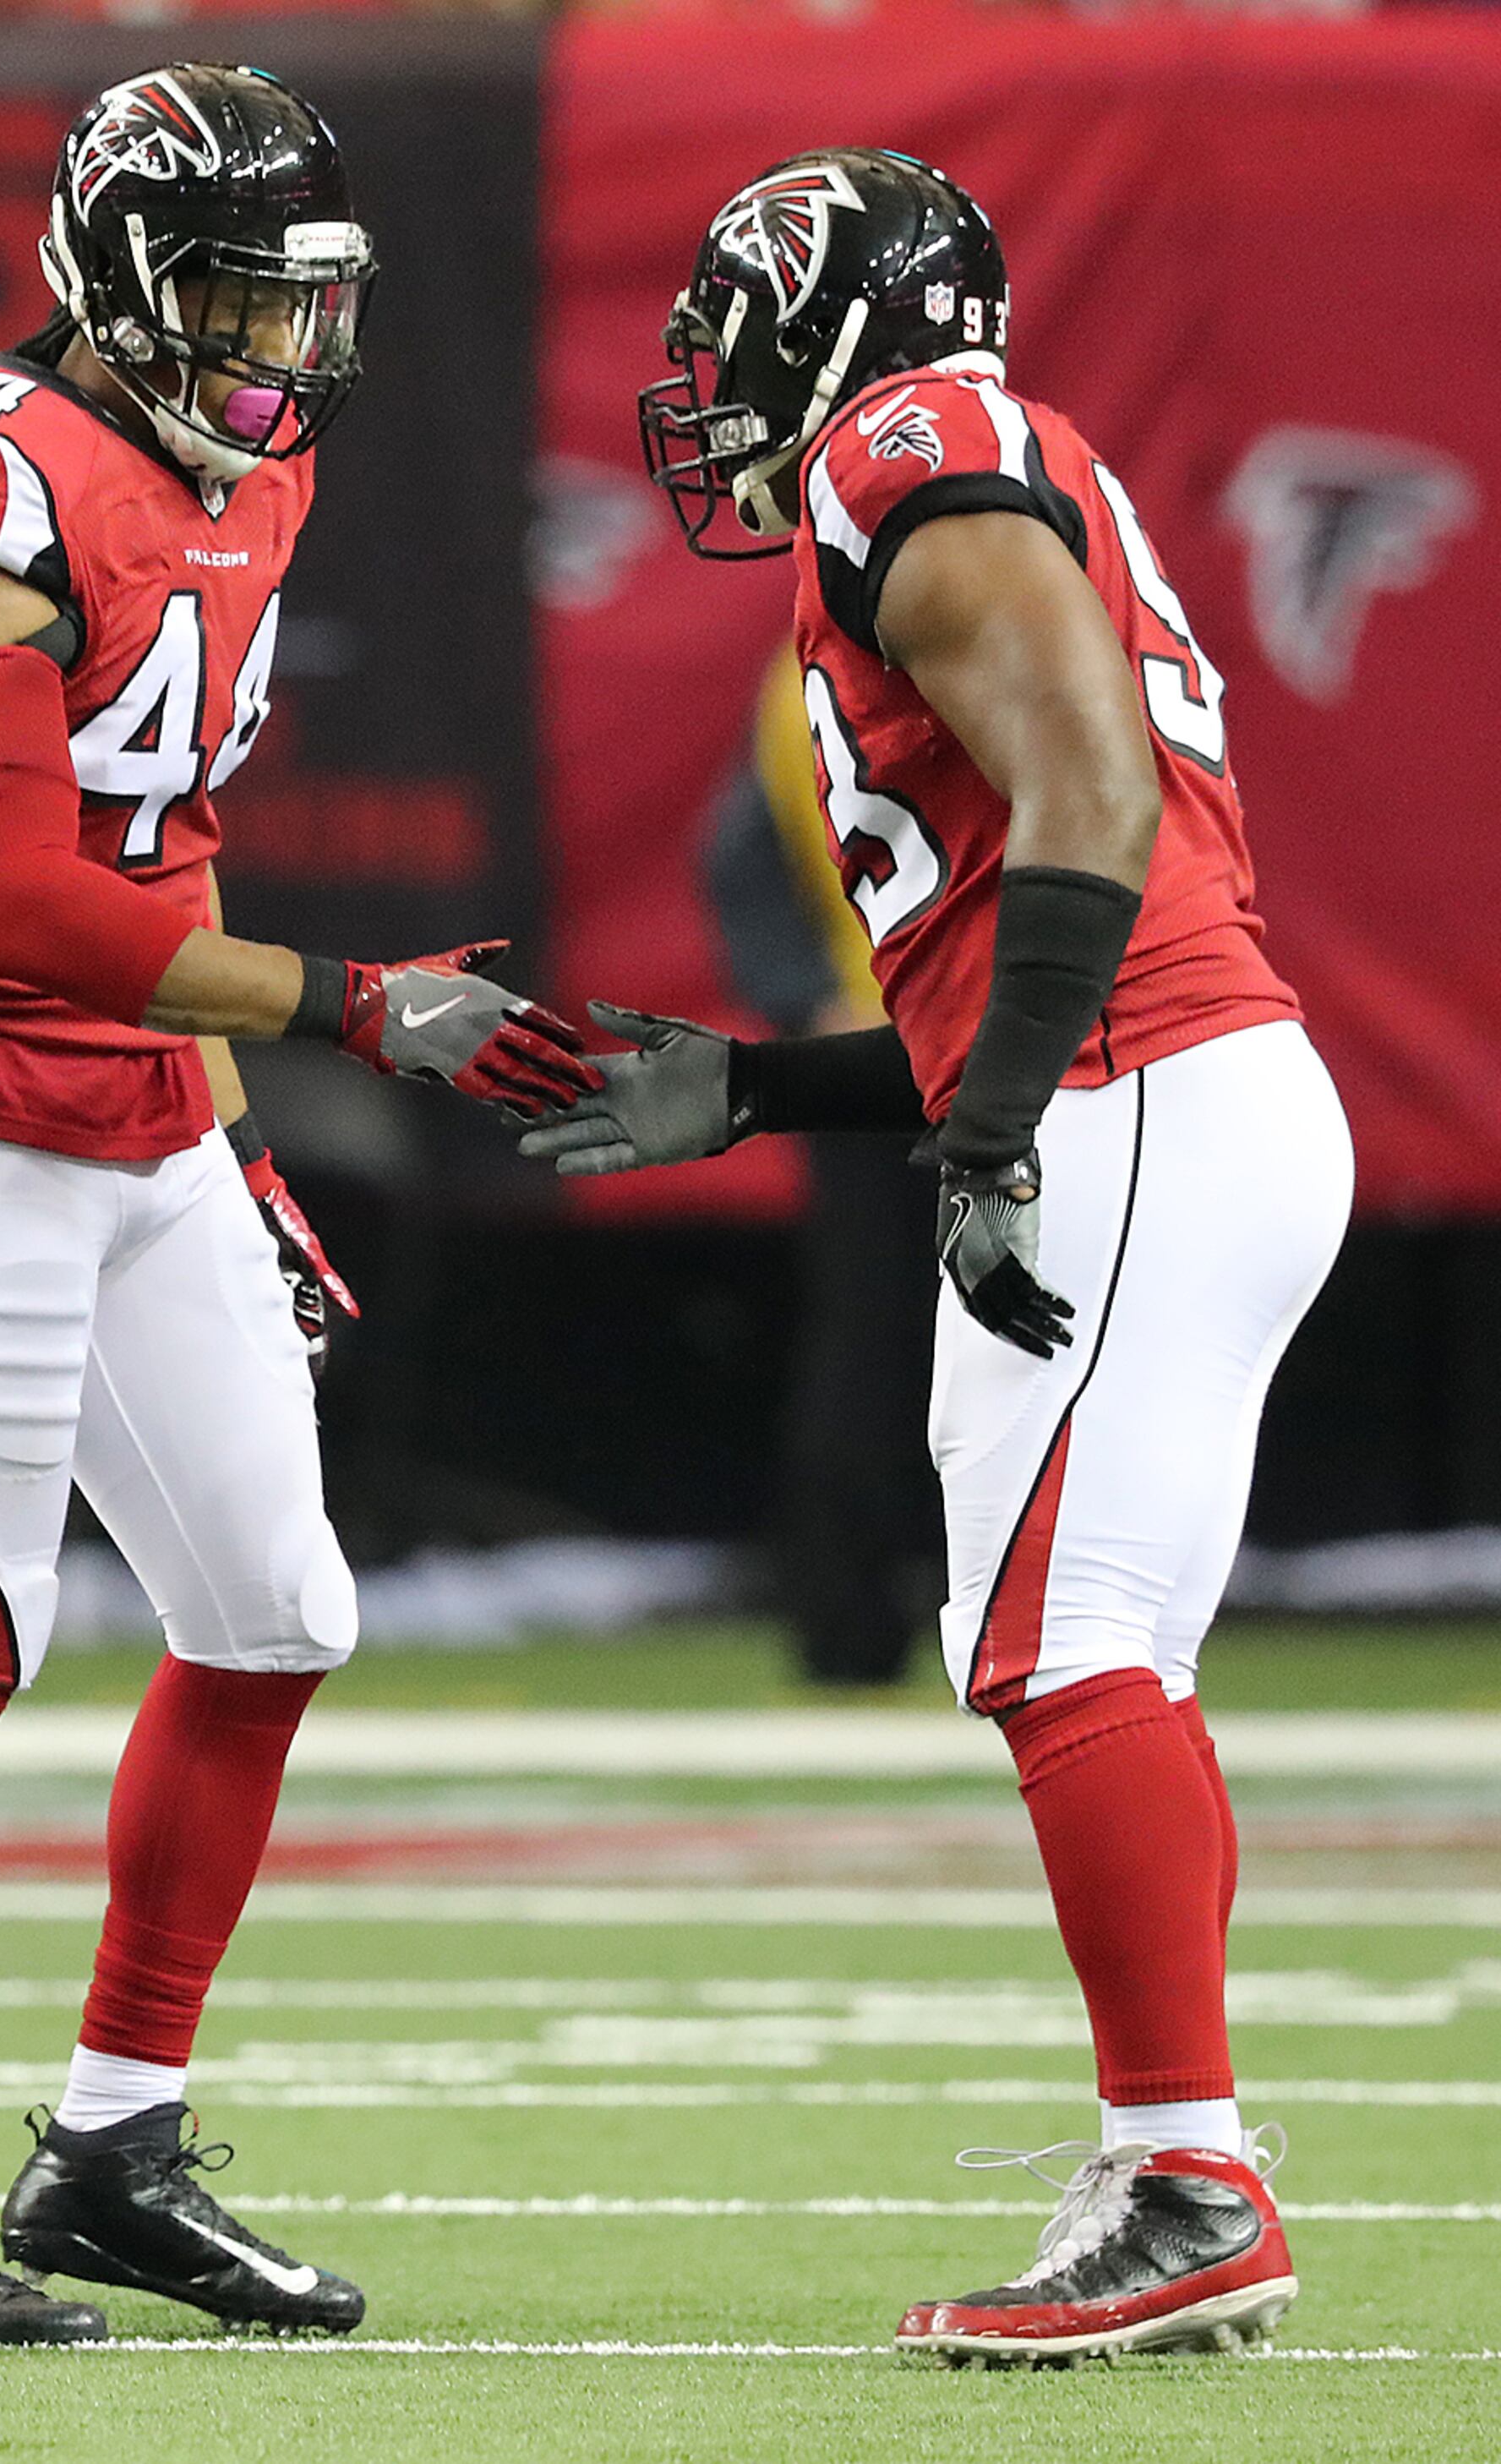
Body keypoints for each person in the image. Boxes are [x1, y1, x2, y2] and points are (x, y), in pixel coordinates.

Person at [0, 65, 597, 2346]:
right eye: (252, 294)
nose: (292, 346)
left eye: (312, 299)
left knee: (275, 1612)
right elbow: (27, 899)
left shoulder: (255, 467)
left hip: (152, 1127)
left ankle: (110, 2151)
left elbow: (167, 844)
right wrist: (354, 1010)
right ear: (133, 281)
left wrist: (237, 1130)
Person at [538, 147, 1342, 2362]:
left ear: (837, 313)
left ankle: (1188, 2174)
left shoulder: (913, 441)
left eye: (736, 323)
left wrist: (993, 1131)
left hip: (1138, 1090)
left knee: (1057, 1643)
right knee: (1097, 1660)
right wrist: (775, 1087)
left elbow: (1090, 792)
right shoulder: (967, 464)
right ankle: (1182, 2154)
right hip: (1179, 1080)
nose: (705, 380)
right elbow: (1042, 893)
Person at [703, 646, 937, 1688]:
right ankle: (854, 1617)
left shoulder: (798, 679)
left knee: (900, 1344)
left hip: (948, 1051)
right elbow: (740, 856)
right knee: (877, 1345)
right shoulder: (810, 681)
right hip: (917, 1057)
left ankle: (883, 1613)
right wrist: (807, 1002)